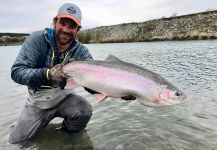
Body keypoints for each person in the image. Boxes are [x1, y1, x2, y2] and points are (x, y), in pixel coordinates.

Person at [9, 3, 136, 144]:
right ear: (54, 22)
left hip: (64, 98)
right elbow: (17, 72)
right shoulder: (37, 39)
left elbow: (92, 82)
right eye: (62, 23)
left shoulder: (82, 52)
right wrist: (48, 74)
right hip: (38, 104)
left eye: (72, 26)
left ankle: (65, 139)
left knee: (84, 110)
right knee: (16, 141)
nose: (66, 29)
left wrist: (120, 92)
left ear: (78, 30)